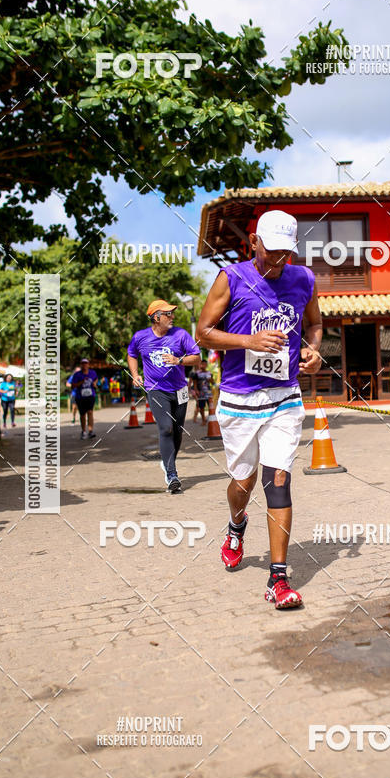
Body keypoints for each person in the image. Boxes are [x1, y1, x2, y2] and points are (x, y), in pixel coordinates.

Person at [196, 209, 322, 609]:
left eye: (286, 252)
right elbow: (203, 333)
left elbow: (314, 324)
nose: (278, 259)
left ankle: (278, 579)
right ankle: (237, 525)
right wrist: (247, 341)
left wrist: (313, 350)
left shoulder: (304, 279)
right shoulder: (231, 278)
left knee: (278, 480)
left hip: (284, 397)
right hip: (239, 398)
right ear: (254, 242)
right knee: (243, 482)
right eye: (271, 250)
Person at [127, 299, 200, 493]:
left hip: (180, 390)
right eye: (168, 314)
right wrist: (135, 374)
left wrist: (178, 360)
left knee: (177, 431)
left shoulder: (181, 334)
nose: (172, 317)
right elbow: (131, 353)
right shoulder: (141, 337)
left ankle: (168, 462)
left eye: (172, 313)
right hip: (156, 389)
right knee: (166, 428)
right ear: (156, 317)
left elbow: (197, 357)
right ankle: (172, 474)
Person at [69, 358, 98, 439]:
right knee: (82, 414)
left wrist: (94, 383)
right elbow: (73, 386)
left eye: (86, 363)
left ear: (88, 364)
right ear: (81, 365)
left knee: (90, 412)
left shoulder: (92, 373)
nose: (84, 365)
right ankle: (84, 431)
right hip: (80, 397)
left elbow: (96, 379)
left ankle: (91, 431)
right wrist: (81, 382)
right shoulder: (77, 374)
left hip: (90, 396)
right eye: (83, 363)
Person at [194, 358, 213, 425]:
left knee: (210, 406)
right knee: (201, 407)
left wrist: (210, 379)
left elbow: (212, 382)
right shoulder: (197, 373)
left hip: (208, 392)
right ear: (200, 364)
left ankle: (211, 420)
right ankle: (203, 420)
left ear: (206, 365)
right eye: (202, 364)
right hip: (201, 393)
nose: (203, 365)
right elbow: (195, 383)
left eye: (205, 364)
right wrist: (196, 390)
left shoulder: (209, 373)